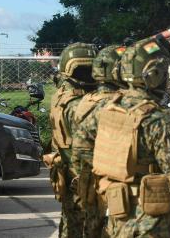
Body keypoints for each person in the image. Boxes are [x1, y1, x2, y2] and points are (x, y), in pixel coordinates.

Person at [87, 37, 170, 237]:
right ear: (154, 75)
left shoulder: (105, 110)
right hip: (151, 219)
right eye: (164, 73)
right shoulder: (157, 119)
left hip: (117, 212)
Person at [71, 44, 127, 237]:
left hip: (87, 177)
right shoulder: (119, 104)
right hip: (115, 181)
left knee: (91, 228)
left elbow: (78, 147)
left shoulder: (85, 100)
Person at [47, 42, 98, 237]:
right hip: (80, 174)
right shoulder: (79, 104)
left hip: (67, 170)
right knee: (83, 225)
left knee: (70, 221)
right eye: (83, 70)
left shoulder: (62, 94)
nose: (88, 75)